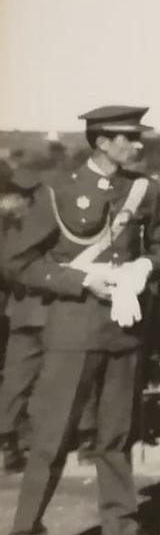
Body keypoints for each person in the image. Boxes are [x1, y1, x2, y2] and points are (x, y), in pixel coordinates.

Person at [2, 106, 160, 535]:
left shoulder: (145, 190)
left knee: (116, 435)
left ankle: (121, 526)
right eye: (128, 138)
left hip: (125, 327)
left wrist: (146, 267)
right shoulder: (58, 191)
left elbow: (159, 247)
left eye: (138, 137)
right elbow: (17, 262)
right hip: (73, 328)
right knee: (52, 439)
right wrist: (79, 280)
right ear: (101, 142)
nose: (138, 145)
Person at [0, 170, 49, 474]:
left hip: (20, 311)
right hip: (46, 309)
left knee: (16, 382)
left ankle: (8, 441)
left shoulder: (10, 226)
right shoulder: (38, 225)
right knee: (69, 376)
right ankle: (86, 437)